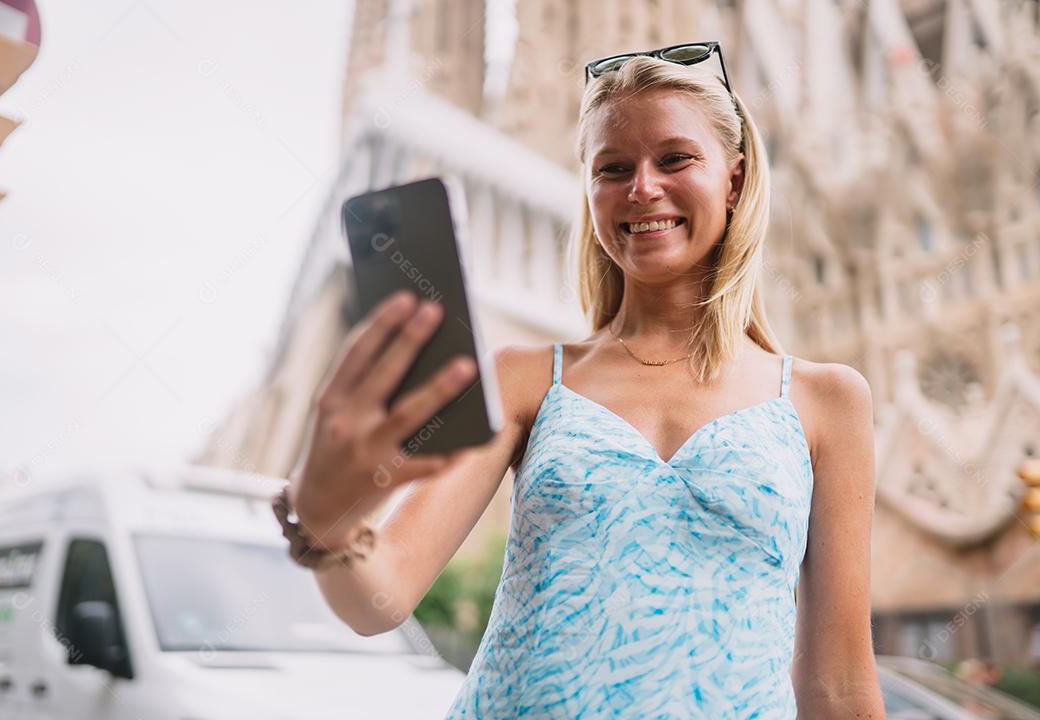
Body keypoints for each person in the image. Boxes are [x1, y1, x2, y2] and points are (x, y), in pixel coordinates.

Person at [284, 42, 886, 719]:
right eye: (613, 168)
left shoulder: (825, 401)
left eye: (675, 158)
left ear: (735, 180)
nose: (643, 188)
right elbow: (382, 597)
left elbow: (838, 683)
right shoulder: (525, 380)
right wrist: (329, 523)